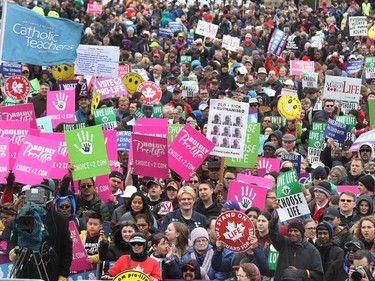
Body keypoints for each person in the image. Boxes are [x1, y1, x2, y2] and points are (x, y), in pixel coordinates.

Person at [8, 184, 72, 281]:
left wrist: (63, 275)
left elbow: (66, 250)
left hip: (50, 271)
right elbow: (13, 240)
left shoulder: (60, 220)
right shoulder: (23, 217)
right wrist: (13, 251)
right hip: (26, 270)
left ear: (49, 199)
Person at [268, 214, 324, 281]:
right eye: (290, 230)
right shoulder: (283, 243)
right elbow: (272, 232)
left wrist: (299, 273)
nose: (292, 233)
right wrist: (274, 218)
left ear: (302, 232)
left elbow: (318, 275)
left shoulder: (312, 250)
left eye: (295, 231)